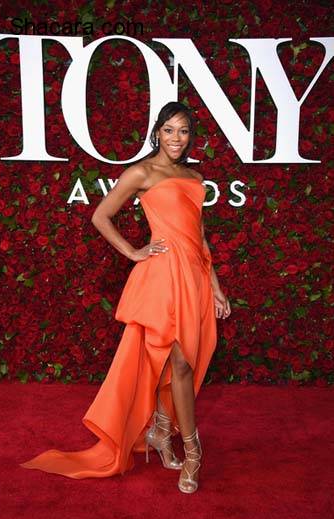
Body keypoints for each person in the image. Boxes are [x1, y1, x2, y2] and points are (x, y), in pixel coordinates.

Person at [19, 101, 231, 494]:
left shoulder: (194, 175)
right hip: (164, 279)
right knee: (174, 361)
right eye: (169, 130)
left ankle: (161, 433)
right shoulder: (142, 172)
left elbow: (199, 237)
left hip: (196, 279)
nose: (176, 138)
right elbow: (101, 215)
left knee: (185, 362)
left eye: (183, 131)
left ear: (191, 136)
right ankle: (192, 451)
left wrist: (216, 287)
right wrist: (134, 252)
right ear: (157, 132)